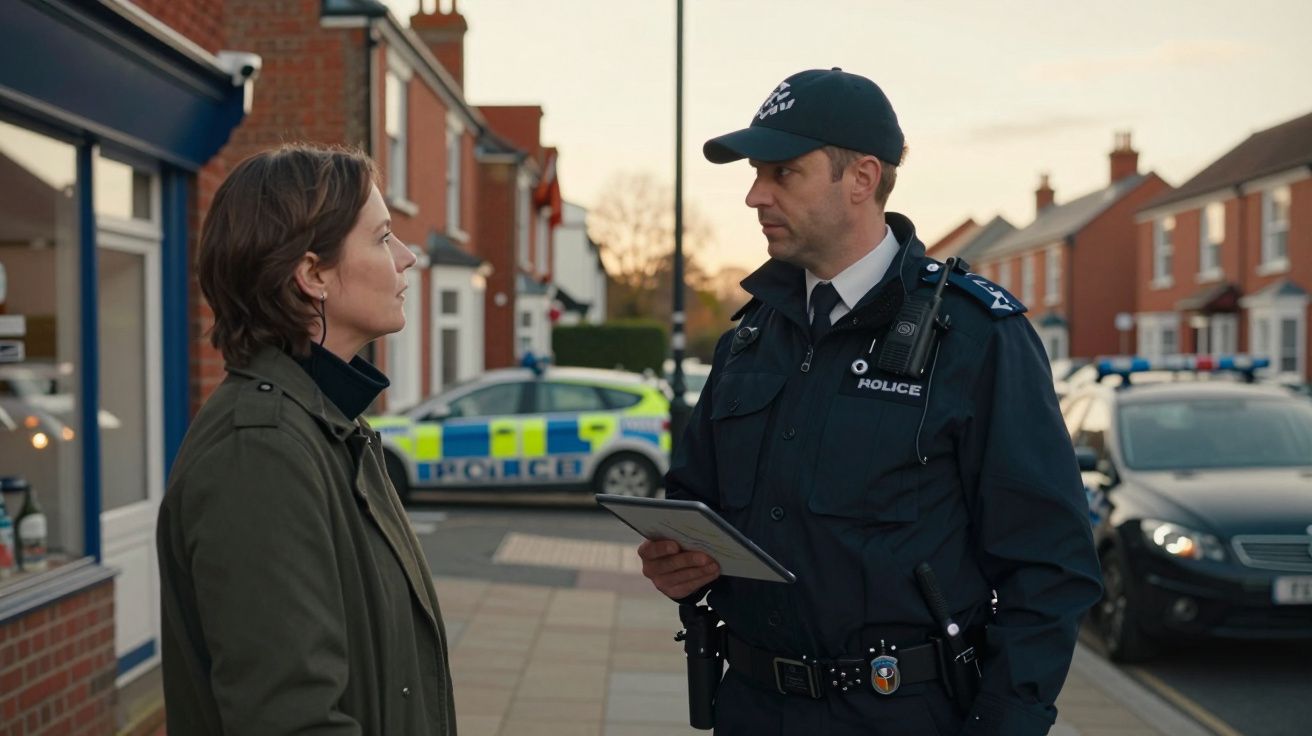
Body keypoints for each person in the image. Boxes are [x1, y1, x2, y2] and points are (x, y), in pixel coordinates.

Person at [639, 68, 1101, 735]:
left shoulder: (975, 337)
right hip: (752, 708)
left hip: (901, 714)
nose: (753, 195)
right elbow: (697, 499)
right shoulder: (751, 334)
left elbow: (1051, 566)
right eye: (754, 174)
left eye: (781, 173)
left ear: (860, 178)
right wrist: (681, 564)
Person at [156, 144, 455, 734]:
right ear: (313, 274)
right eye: (382, 237)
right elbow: (290, 717)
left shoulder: (332, 424)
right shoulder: (260, 453)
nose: (408, 257)